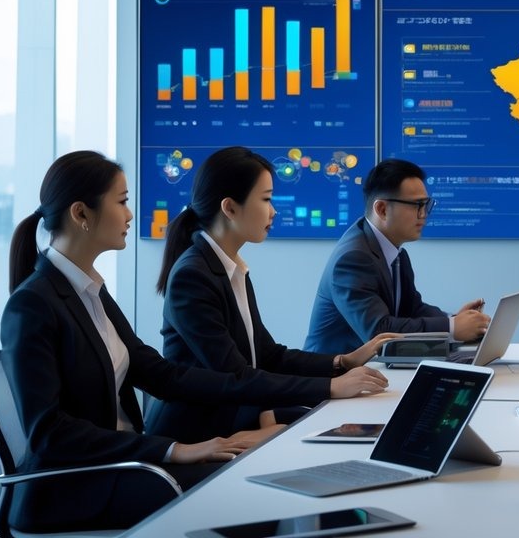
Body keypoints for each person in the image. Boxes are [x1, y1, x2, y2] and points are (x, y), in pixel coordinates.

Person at [0, 151, 389, 533]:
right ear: (81, 214)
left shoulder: (90, 292)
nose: (130, 215)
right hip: (77, 487)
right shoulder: (33, 304)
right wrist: (175, 449)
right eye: (122, 203)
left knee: (262, 475)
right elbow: (49, 433)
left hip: (127, 463)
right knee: (245, 487)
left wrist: (332, 372)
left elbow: (162, 375)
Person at [146, 146, 397, 442]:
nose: (273, 210)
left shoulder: (230, 267)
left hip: (237, 414)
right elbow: (236, 375)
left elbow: (266, 355)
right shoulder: (193, 275)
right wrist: (331, 386)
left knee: (360, 423)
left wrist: (342, 362)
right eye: (265, 199)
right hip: (200, 433)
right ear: (229, 208)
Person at [305, 159, 490, 354]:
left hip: (373, 370)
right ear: (382, 209)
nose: (424, 214)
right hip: (332, 376)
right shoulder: (353, 259)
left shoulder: (396, 252)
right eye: (417, 205)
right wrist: (452, 328)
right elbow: (379, 331)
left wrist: (455, 319)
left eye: (426, 205)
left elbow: (412, 309)